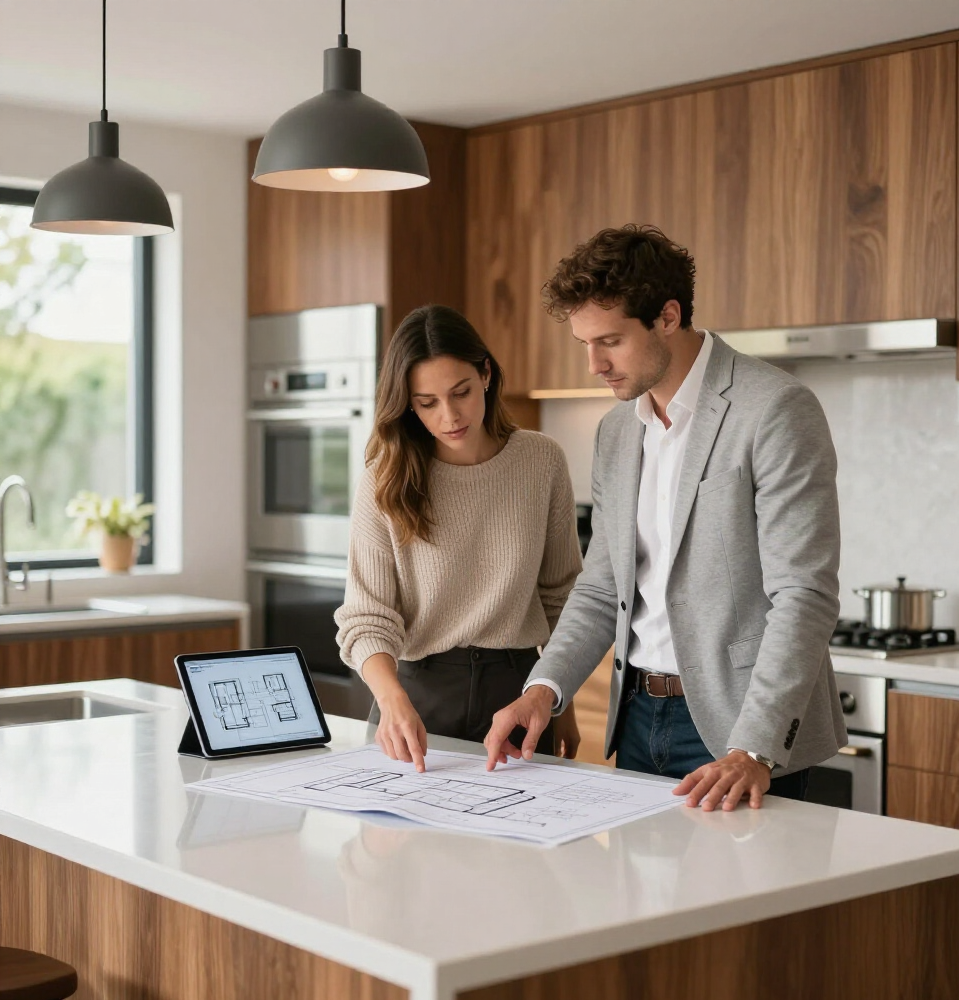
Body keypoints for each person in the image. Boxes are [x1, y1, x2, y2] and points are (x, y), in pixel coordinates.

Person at [484, 225, 847, 811]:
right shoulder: (616, 430)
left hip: (738, 734)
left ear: (669, 316)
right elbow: (602, 584)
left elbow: (804, 593)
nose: (594, 364)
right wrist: (543, 689)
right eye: (584, 343)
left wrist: (754, 747)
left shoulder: (775, 409)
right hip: (636, 721)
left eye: (610, 341)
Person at [335, 304, 583, 770]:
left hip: (520, 695)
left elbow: (563, 599)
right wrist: (391, 700)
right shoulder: (384, 479)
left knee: (520, 839)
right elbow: (366, 617)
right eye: (427, 402)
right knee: (405, 841)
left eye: (461, 392)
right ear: (408, 403)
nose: (449, 415)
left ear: (485, 373)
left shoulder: (541, 461)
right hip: (414, 697)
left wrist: (558, 699)